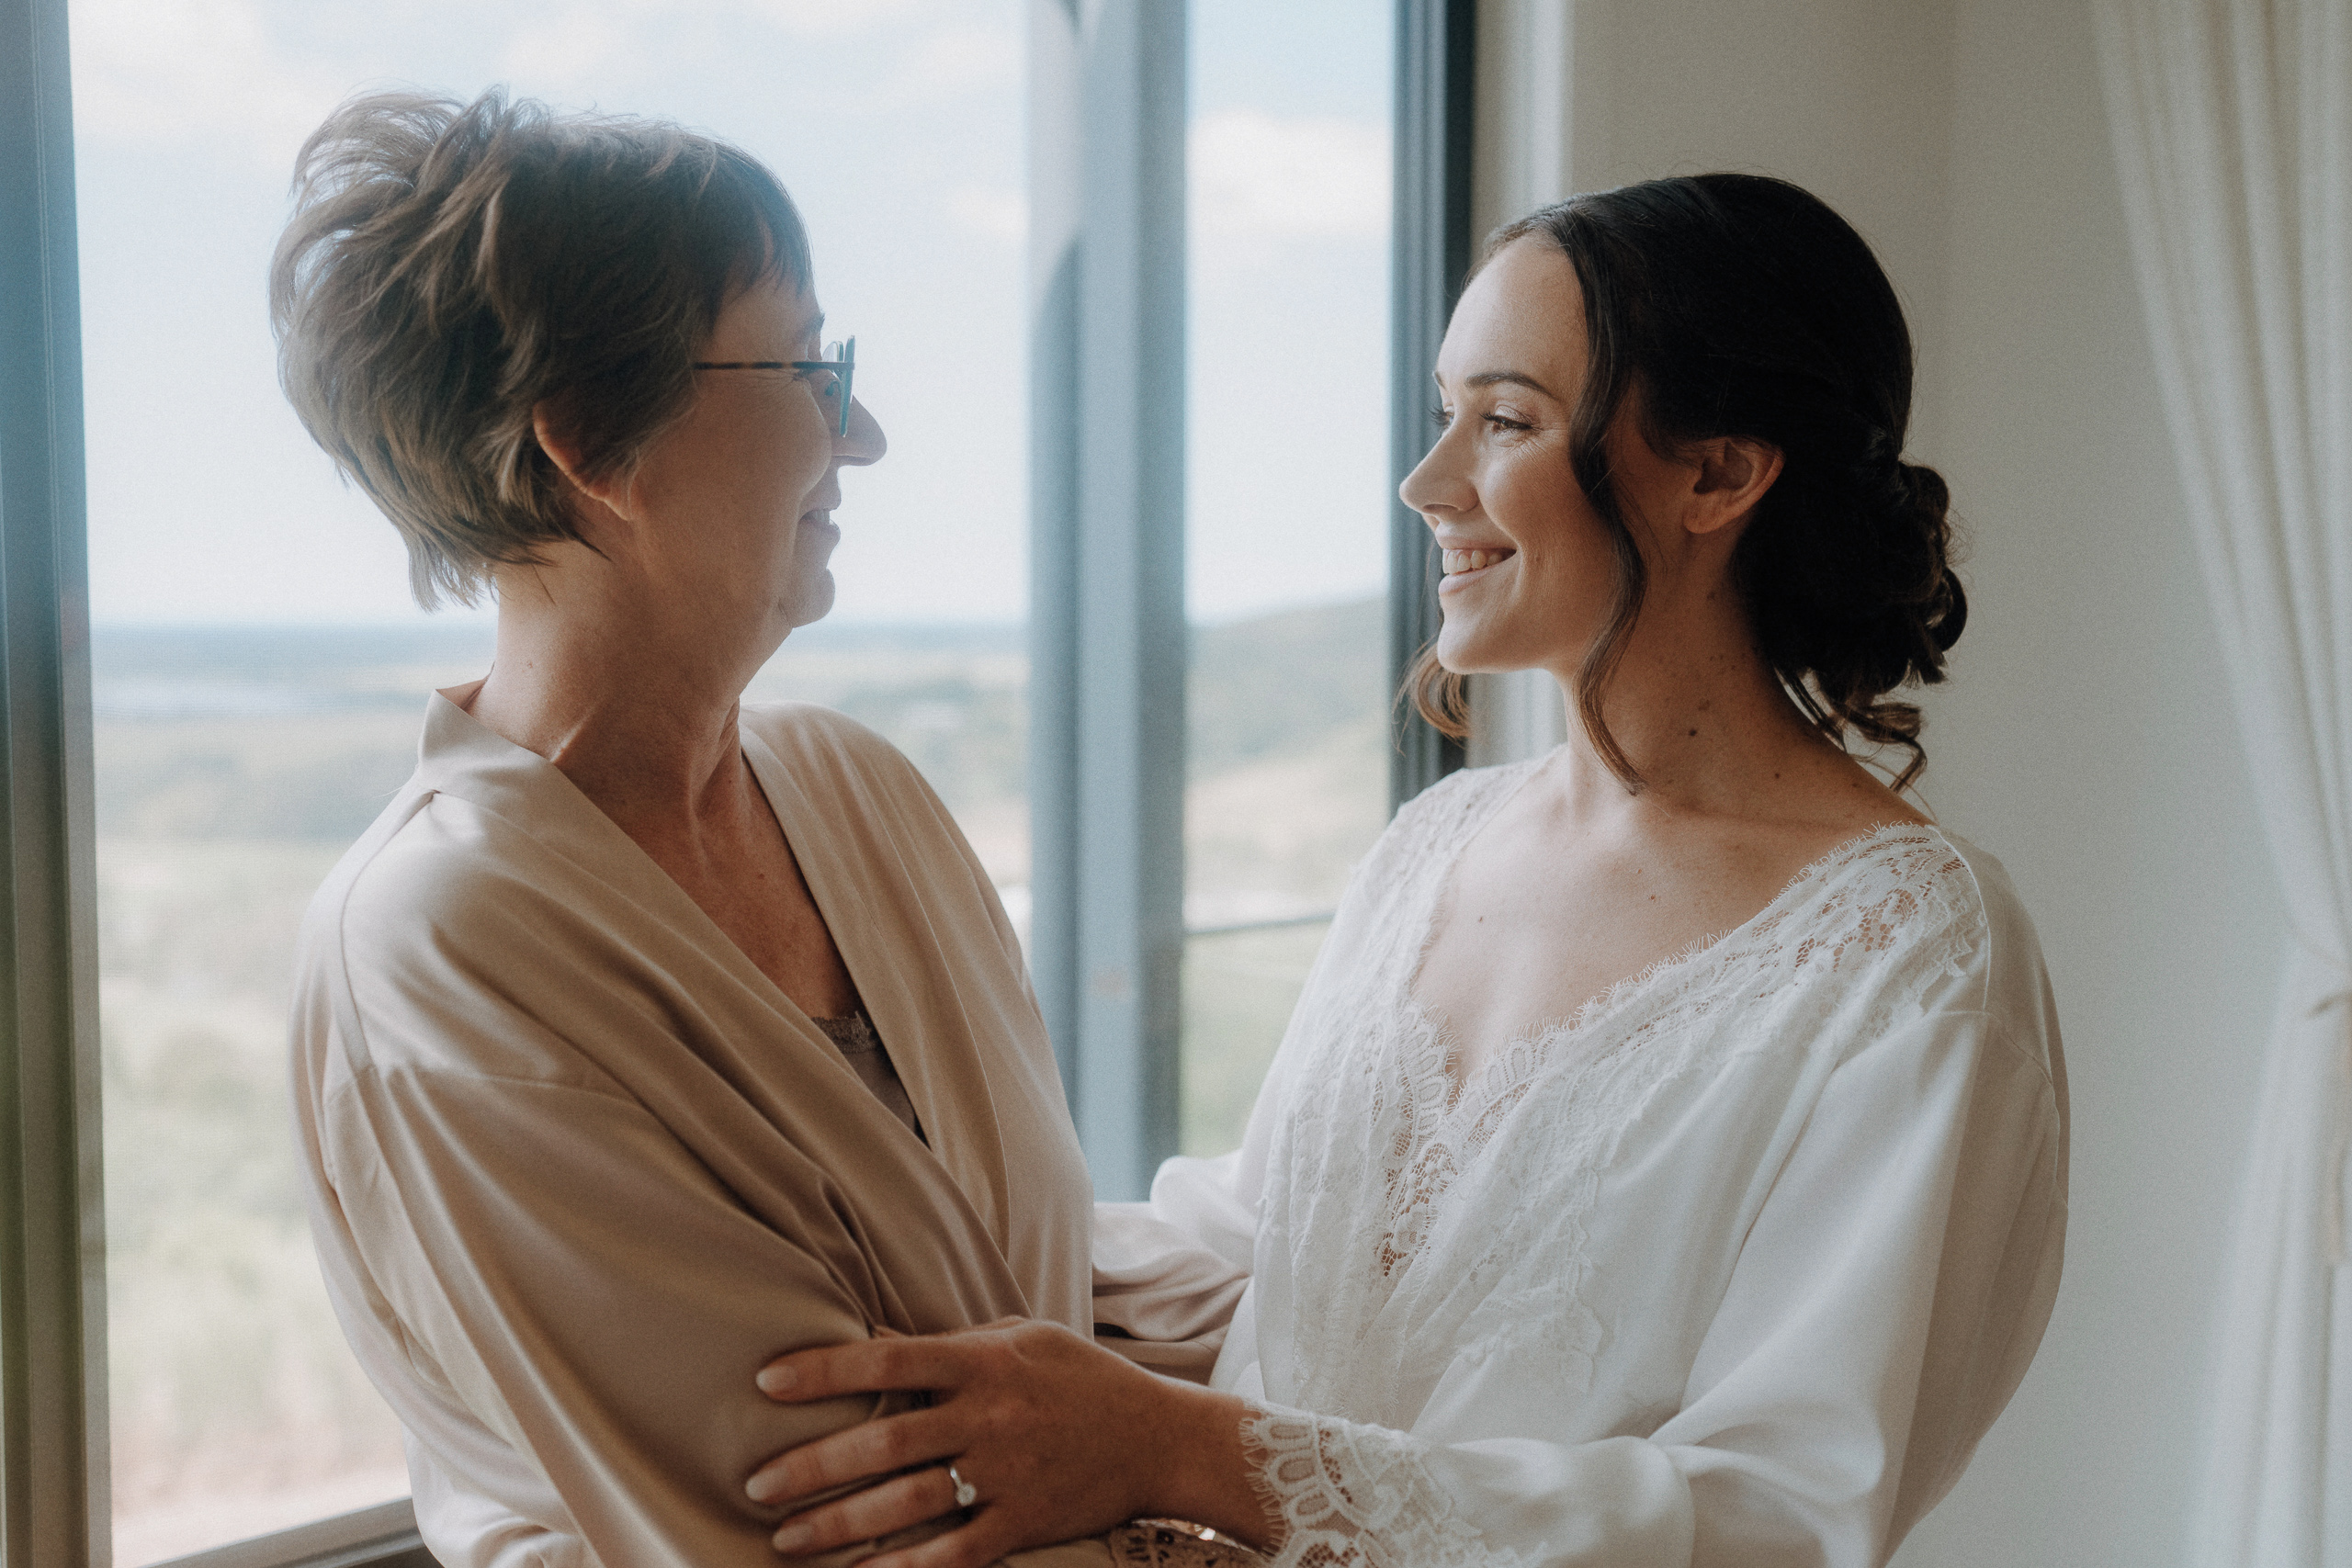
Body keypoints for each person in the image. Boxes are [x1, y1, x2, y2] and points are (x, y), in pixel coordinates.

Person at [742, 175, 2070, 1568]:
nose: (1427, 483)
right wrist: (850, 1209)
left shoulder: (1914, 959)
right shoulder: (1432, 848)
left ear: (1718, 474)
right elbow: (1251, 1253)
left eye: (1503, 420)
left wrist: (1184, 1449)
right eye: (1445, 412)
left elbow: (1777, 1519)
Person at [276, 89, 1125, 1568]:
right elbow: (825, 1523)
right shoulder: (443, 942)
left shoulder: (863, 793)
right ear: (592, 445)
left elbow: (1051, 1314)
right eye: (810, 363)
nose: (860, 429)